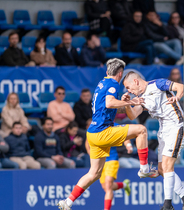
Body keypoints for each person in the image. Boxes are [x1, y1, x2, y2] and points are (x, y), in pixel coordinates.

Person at [57, 58, 158, 210]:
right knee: (141, 130)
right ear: (120, 73)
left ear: (107, 72)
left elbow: (109, 106)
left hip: (92, 134)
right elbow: (110, 103)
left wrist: (125, 103)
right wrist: (131, 102)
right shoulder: (113, 84)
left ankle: (68, 201)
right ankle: (144, 168)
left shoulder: (101, 83)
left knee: (94, 174)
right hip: (103, 132)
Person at [123, 72, 184, 210]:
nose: (129, 91)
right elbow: (133, 115)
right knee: (162, 169)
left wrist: (177, 97)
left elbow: (182, 87)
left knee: (168, 165)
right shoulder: (141, 98)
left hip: (177, 125)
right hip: (164, 130)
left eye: (128, 87)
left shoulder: (158, 84)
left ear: (136, 81)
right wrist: (127, 103)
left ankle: (167, 205)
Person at [85, 136, 131, 210]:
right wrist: (89, 151)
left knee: (108, 185)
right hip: (100, 162)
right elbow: (88, 140)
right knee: (106, 187)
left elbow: (126, 136)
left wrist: (128, 145)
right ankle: (124, 185)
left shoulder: (114, 125)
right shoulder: (96, 126)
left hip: (112, 159)